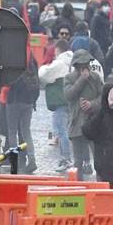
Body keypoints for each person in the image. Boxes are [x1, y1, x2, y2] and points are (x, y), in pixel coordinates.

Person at [64, 49, 103, 178]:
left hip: (93, 123)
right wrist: (82, 79)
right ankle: (78, 187)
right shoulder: (69, 78)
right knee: (78, 161)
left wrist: (92, 104)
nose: (85, 67)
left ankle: (101, 185)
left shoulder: (96, 78)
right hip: (77, 124)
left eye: (87, 64)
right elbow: (68, 95)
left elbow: (103, 97)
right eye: (82, 65)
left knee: (99, 159)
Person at [39, 39, 73, 172]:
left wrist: (43, 67)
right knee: (71, 131)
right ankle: (82, 161)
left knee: (61, 131)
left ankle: (66, 159)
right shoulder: (73, 61)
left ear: (58, 49)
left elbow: (44, 74)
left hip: (61, 102)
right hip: (71, 101)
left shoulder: (60, 63)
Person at [6, 57, 40, 174]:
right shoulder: (32, 60)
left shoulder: (14, 58)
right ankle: (32, 159)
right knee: (26, 131)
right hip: (28, 101)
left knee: (12, 131)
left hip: (14, 100)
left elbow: (8, 80)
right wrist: (33, 100)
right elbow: (37, 82)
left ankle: (14, 161)